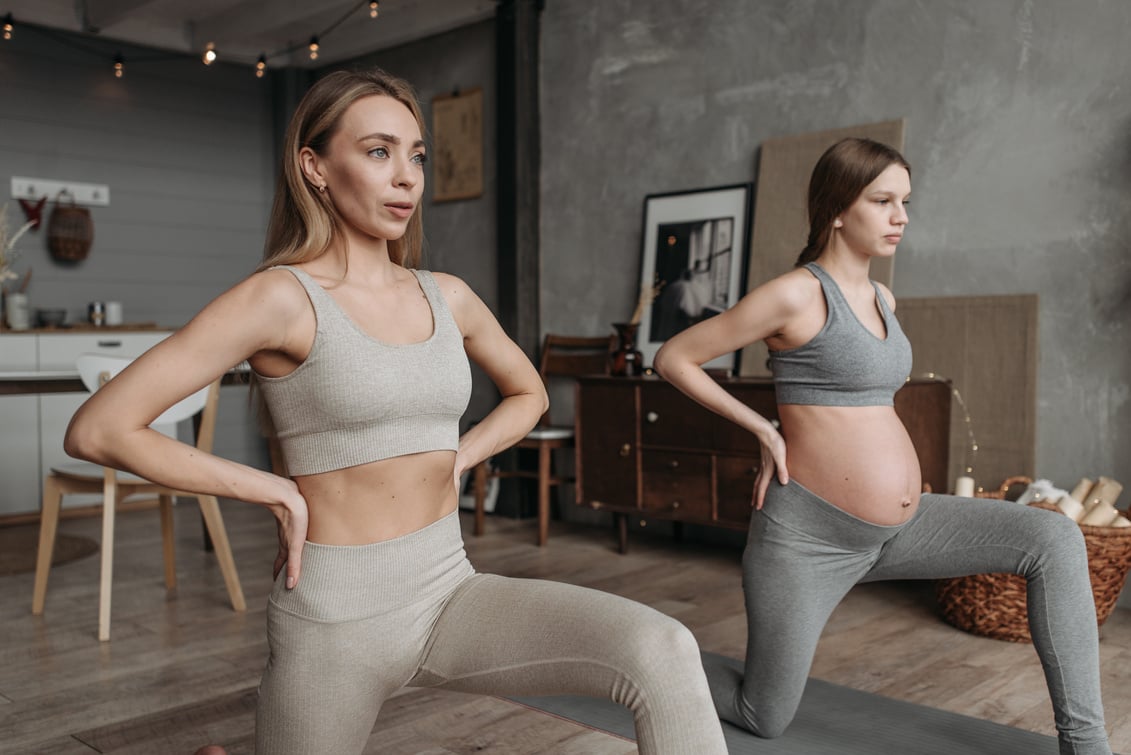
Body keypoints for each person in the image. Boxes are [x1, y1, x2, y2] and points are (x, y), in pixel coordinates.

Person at [65, 69, 727, 755]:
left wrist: (462, 455)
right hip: (333, 620)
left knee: (662, 649)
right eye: (379, 151)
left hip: (450, 592)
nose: (407, 176)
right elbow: (100, 428)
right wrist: (274, 491)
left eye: (415, 155)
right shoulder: (280, 299)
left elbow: (527, 392)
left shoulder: (448, 296)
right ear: (314, 167)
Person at [654, 137, 1111, 755]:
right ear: (840, 207)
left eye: (906, 201)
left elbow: (868, 409)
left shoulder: (882, 299)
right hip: (808, 541)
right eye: (884, 200)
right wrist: (763, 430)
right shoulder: (796, 294)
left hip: (898, 529)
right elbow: (674, 356)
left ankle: (1087, 745)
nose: (901, 217)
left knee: (1054, 538)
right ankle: (646, 658)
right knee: (764, 716)